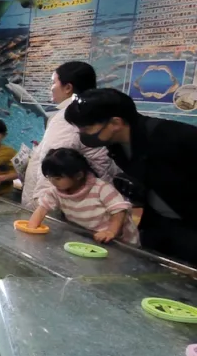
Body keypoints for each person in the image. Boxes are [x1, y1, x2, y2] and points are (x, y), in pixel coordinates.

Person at [65, 88, 197, 263]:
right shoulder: (117, 145)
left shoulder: (174, 137)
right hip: (159, 223)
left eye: (87, 128)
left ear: (116, 123)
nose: (83, 134)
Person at [22, 61, 115, 208]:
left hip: (63, 206)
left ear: (68, 87)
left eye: (53, 82)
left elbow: (54, 164)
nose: (51, 88)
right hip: (88, 202)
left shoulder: (69, 117)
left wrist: (42, 206)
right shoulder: (90, 112)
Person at [27, 148, 138, 245]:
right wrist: (31, 228)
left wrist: (111, 232)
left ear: (78, 175)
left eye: (57, 178)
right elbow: (42, 209)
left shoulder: (100, 188)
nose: (52, 182)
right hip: (93, 237)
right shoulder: (55, 192)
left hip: (121, 241)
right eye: (49, 177)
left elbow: (119, 210)